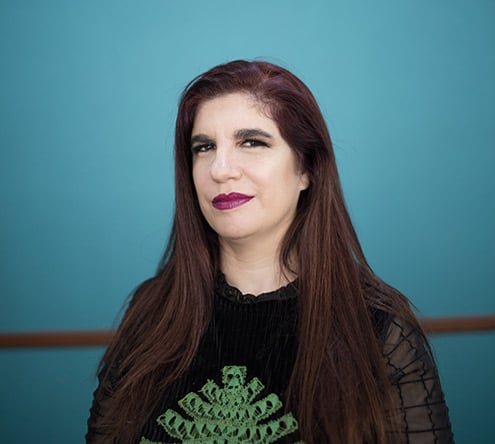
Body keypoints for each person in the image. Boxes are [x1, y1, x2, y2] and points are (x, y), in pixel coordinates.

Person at [86, 60, 454, 443]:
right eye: (204, 147)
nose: (220, 169)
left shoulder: (380, 329)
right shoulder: (150, 314)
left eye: (252, 142)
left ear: (306, 169)